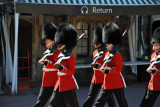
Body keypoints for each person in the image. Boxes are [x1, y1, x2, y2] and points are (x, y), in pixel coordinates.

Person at [94, 22, 128, 107]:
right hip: (107, 83)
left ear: (113, 44)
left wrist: (106, 70)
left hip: (116, 83)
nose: (106, 44)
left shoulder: (117, 55)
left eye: (108, 43)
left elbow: (118, 69)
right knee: (99, 103)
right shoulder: (106, 54)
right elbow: (104, 64)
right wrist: (98, 66)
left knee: (122, 103)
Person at [34, 23, 66, 107]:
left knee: (57, 104)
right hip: (45, 82)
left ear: (53, 41)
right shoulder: (48, 51)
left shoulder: (58, 51)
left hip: (54, 81)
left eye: (47, 40)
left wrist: (46, 63)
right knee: (39, 103)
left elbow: (58, 64)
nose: (45, 41)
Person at [83, 27, 115, 107]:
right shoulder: (95, 52)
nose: (96, 44)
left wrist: (97, 66)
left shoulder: (107, 53)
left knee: (109, 98)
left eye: (97, 43)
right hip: (96, 78)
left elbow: (106, 65)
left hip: (104, 78)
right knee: (91, 97)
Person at [49, 22, 79, 107]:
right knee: (53, 103)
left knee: (73, 104)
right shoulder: (60, 54)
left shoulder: (70, 57)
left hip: (68, 85)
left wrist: (61, 68)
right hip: (59, 84)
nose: (59, 45)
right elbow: (55, 62)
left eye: (60, 43)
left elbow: (71, 72)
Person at [140, 27, 160, 107]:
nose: (154, 46)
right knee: (145, 104)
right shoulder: (153, 55)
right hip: (153, 84)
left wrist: (155, 71)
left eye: (156, 44)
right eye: (154, 44)